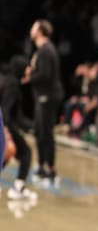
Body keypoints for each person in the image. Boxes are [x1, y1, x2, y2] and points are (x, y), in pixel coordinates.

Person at [22, 19, 64, 184]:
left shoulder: (46, 50)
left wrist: (30, 77)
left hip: (47, 97)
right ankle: (41, 166)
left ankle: (49, 168)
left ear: (40, 31)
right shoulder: (42, 50)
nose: (31, 30)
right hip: (42, 96)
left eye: (34, 27)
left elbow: (45, 75)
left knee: (46, 133)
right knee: (40, 132)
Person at [0, 56, 37, 199]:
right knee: (26, 153)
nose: (29, 71)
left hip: (6, 124)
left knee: (6, 154)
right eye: (27, 68)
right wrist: (7, 132)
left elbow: (18, 116)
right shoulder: (13, 85)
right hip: (6, 125)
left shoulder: (8, 81)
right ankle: (18, 189)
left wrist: (33, 126)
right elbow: (7, 112)